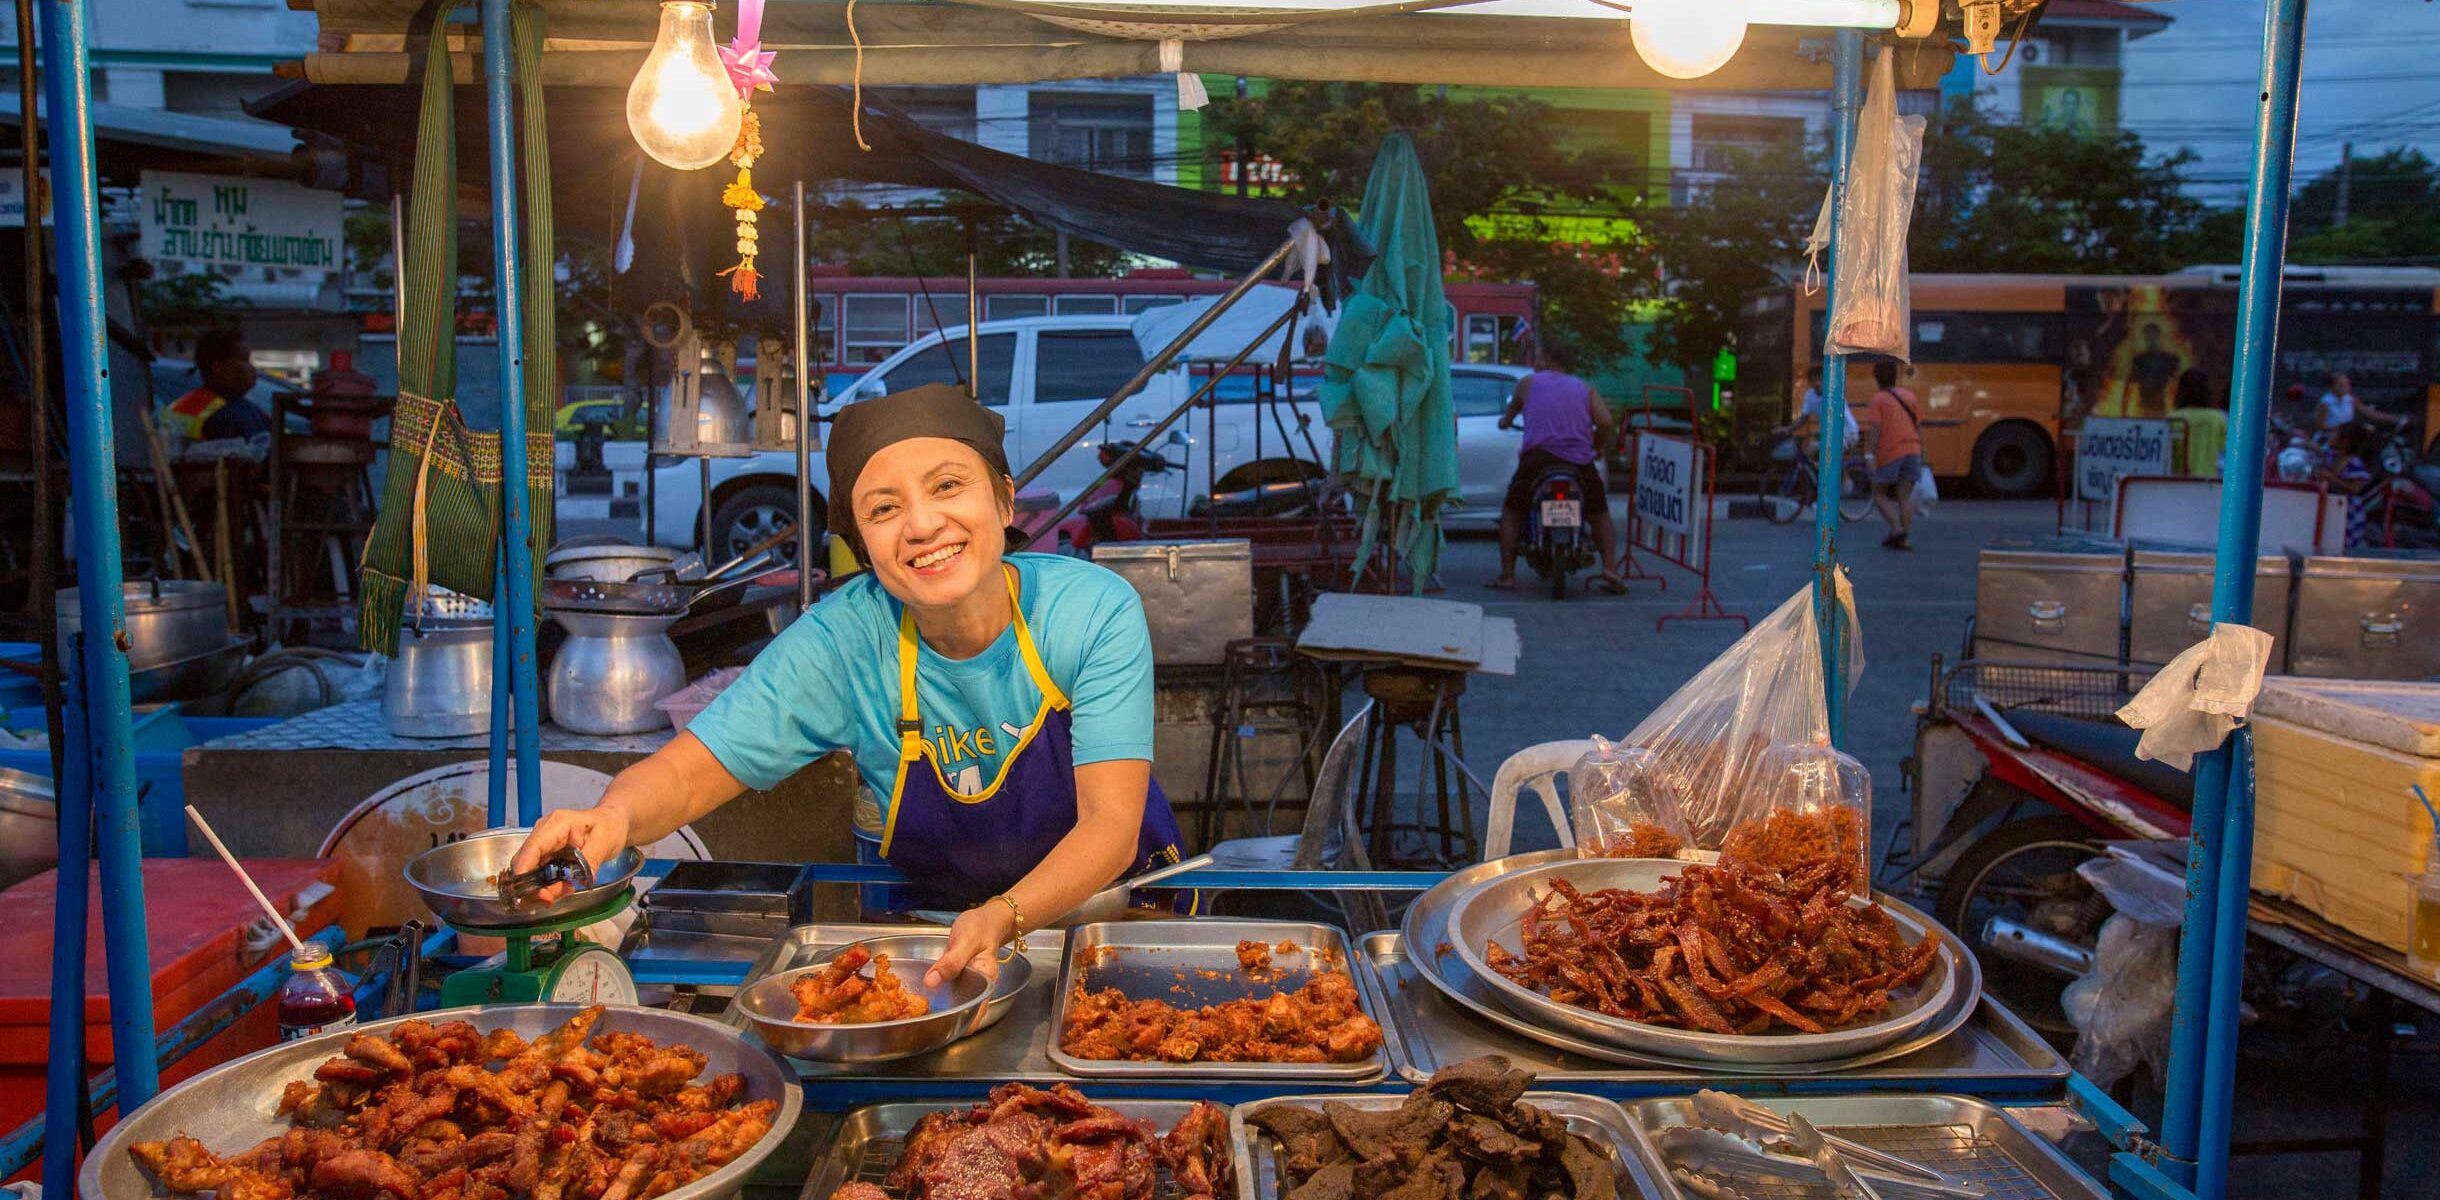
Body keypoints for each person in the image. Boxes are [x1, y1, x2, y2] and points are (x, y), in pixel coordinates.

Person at [511, 384, 1188, 984]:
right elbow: (688, 776)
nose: (923, 526)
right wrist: (614, 817)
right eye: (884, 509)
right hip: (941, 942)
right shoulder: (843, 640)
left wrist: (1006, 916)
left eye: (949, 486)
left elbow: (1111, 823)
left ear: (1005, 498)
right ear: (862, 545)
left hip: (1116, 926)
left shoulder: (1090, 612)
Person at [1488, 341, 1623, 593]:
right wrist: (1595, 446)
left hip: (1537, 461)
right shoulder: (1584, 388)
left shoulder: (1528, 384)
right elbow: (1605, 421)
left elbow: (1510, 415)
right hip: (1579, 462)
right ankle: (1609, 569)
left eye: (1538, 357)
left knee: (1512, 509)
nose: (1535, 362)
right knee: (1599, 513)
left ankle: (1507, 575)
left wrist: (1505, 422)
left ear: (1548, 359)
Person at [162, 328, 271, 441]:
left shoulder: (176, 407)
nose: (253, 369)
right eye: (245, 360)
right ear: (218, 368)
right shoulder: (235, 414)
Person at [1863, 360, 1924, 550]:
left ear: (1876, 379)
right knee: (1904, 496)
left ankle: (1897, 529)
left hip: (1891, 452)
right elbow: (1919, 427)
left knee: (1879, 493)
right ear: (1896, 377)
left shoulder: (1878, 400)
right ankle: (1904, 539)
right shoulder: (1910, 396)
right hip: (1913, 451)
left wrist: (1869, 454)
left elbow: (1876, 429)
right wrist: (1923, 453)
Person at [1789, 363, 1859, 461]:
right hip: (1831, 435)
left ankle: (1836, 476)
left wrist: (1821, 434)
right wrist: (1788, 429)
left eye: (1820, 380)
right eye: (1814, 380)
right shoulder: (1809, 395)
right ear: (1810, 382)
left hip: (1848, 434)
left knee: (1815, 452)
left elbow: (1835, 421)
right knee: (1809, 451)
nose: (1817, 383)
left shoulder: (1833, 394)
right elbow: (1804, 419)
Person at [2169, 368, 2227, 479]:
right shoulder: (2217, 419)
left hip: (2176, 483)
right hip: (2207, 484)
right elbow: (2225, 450)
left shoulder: (2172, 419)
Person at [2315, 371, 2401, 434]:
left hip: (2346, 437)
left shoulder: (2350, 399)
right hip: (2330, 438)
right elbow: (2320, 426)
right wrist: (2344, 429)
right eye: (2341, 385)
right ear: (2332, 387)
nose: (2346, 388)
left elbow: (2370, 413)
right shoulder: (2325, 403)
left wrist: (2395, 419)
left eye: (2347, 385)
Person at [2128, 323, 2183, 418]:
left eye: (2153, 337)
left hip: (2163, 406)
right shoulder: (2139, 360)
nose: (2151, 341)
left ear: (2160, 338)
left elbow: (2176, 384)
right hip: (2142, 407)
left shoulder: (2170, 359)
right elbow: (2131, 385)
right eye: (2148, 338)